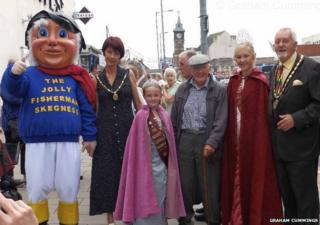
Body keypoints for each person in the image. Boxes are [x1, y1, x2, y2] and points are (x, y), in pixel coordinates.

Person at [4, 10, 97, 225]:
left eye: (63, 34)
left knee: (68, 188)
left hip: (69, 143)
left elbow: (86, 109)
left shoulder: (75, 77)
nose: (53, 42)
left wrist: (90, 136)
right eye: (43, 33)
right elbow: (11, 93)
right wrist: (12, 74)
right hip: (37, 144)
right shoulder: (28, 74)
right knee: (37, 189)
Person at [221, 42, 283, 225]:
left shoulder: (261, 82)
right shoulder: (232, 82)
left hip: (255, 140)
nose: (242, 60)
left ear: (253, 56)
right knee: (236, 177)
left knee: (254, 178)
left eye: (245, 56)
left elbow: (264, 117)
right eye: (238, 57)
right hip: (234, 140)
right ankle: (237, 217)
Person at [114, 79, 185, 224]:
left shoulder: (164, 114)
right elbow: (135, 146)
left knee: (161, 197)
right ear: (145, 97)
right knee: (144, 196)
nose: (153, 98)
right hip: (145, 166)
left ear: (160, 96)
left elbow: (169, 141)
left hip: (162, 166)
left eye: (156, 95)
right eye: (149, 96)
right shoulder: (140, 116)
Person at [269, 27, 320, 223]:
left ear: (295, 44)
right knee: (289, 203)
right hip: (280, 150)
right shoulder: (275, 70)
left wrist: (296, 119)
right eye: (277, 41)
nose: (280, 45)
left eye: (285, 41)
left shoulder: (311, 68)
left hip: (303, 150)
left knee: (306, 203)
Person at [90, 36, 141, 225]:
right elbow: (94, 109)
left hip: (128, 129)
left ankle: (131, 214)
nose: (112, 56)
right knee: (107, 173)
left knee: (128, 172)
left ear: (121, 55)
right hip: (104, 132)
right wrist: (89, 136)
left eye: (117, 53)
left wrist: (147, 125)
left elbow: (138, 103)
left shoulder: (128, 74)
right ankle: (110, 218)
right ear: (104, 53)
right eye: (109, 52)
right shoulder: (96, 79)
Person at [171, 54, 228, 225]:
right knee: (185, 183)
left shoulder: (219, 89)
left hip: (206, 138)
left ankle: (213, 219)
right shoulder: (182, 89)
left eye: (203, 67)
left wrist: (212, 142)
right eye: (196, 68)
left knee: (209, 183)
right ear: (191, 70)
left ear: (209, 68)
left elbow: (221, 119)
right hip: (185, 140)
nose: (200, 71)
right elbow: (174, 118)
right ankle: (185, 218)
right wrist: (172, 142)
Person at [0, 59, 25, 188]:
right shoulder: (10, 77)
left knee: (11, 149)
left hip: (10, 119)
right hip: (14, 119)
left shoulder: (6, 78)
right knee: (14, 148)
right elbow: (11, 97)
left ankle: (9, 177)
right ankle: (9, 178)